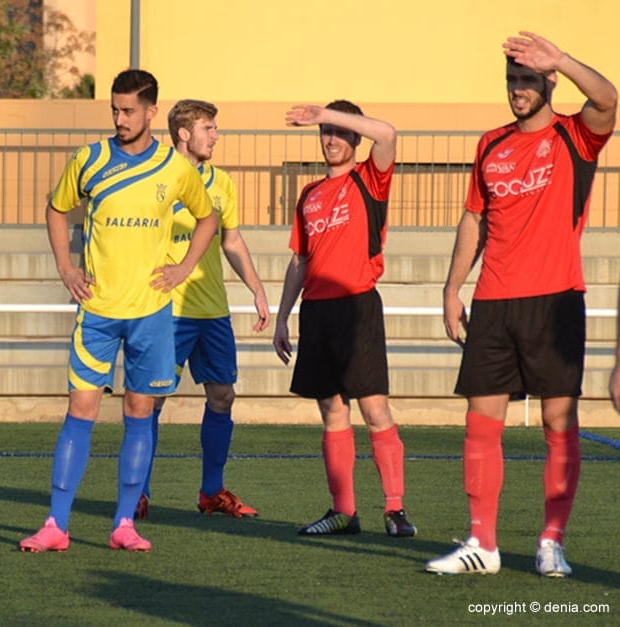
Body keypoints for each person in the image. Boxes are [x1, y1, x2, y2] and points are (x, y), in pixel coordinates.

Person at [428, 32, 616, 577]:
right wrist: (451, 287)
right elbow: (474, 217)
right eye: (511, 81)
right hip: (493, 302)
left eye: (527, 80)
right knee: (480, 421)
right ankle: (482, 544)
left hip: (555, 300)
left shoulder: (574, 137)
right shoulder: (490, 144)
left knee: (559, 420)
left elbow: (607, 100)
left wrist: (561, 58)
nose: (517, 90)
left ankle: (551, 540)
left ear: (548, 84)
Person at [19, 69, 219, 553]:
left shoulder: (175, 168)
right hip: (98, 310)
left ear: (152, 111)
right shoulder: (89, 159)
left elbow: (207, 217)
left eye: (129, 110)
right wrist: (66, 267)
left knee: (139, 411)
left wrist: (183, 268)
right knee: (80, 409)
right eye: (115, 109)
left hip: (151, 311)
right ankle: (56, 525)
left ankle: (124, 523)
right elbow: (56, 208)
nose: (120, 118)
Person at [273, 100, 417, 538]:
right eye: (325, 133)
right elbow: (300, 261)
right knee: (332, 410)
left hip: (357, 308)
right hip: (316, 312)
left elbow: (388, 134)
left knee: (374, 409)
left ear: (354, 137)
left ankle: (394, 511)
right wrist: (282, 318)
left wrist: (325, 114)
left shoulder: (368, 180)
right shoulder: (310, 195)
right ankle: (343, 512)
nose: (331, 139)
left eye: (338, 132)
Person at [135, 99, 269, 520]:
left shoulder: (222, 183)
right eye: (208, 128)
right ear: (184, 134)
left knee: (222, 395)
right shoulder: (153, 177)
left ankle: (211, 491)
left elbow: (231, 240)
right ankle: (138, 492)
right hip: (164, 309)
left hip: (211, 310)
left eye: (215, 128)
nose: (215, 135)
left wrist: (258, 289)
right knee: (150, 401)